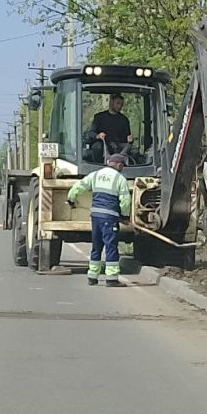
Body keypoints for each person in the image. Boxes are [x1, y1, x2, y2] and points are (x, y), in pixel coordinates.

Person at [67, 153, 132, 287]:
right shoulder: (119, 179)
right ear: (119, 165)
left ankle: (92, 276)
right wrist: (125, 216)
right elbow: (125, 201)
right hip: (110, 217)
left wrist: (71, 199)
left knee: (96, 247)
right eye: (122, 166)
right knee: (111, 247)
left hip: (95, 216)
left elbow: (78, 187)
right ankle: (111, 278)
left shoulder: (95, 175)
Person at [88, 93, 133, 164]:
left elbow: (128, 137)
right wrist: (98, 136)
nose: (119, 106)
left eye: (121, 105)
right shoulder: (99, 117)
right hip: (103, 145)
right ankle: (99, 165)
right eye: (117, 103)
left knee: (133, 150)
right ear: (111, 102)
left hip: (118, 145)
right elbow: (91, 133)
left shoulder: (124, 120)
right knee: (97, 147)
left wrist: (130, 140)